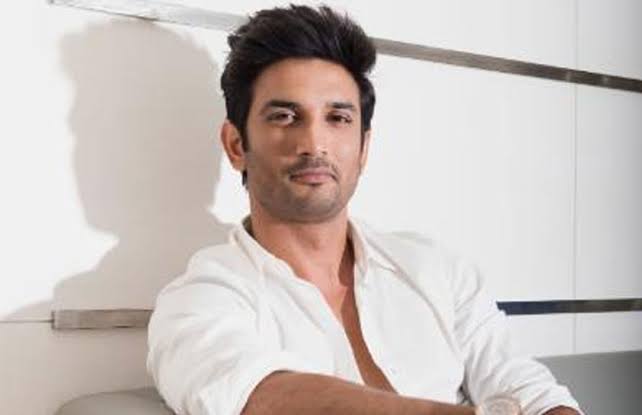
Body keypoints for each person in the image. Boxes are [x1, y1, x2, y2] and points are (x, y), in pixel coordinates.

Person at [146, 5, 582, 415]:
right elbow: (253, 394)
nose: (314, 143)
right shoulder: (201, 299)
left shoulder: (440, 272)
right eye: (284, 116)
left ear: (363, 147)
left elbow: (532, 392)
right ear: (236, 145)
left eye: (338, 118)